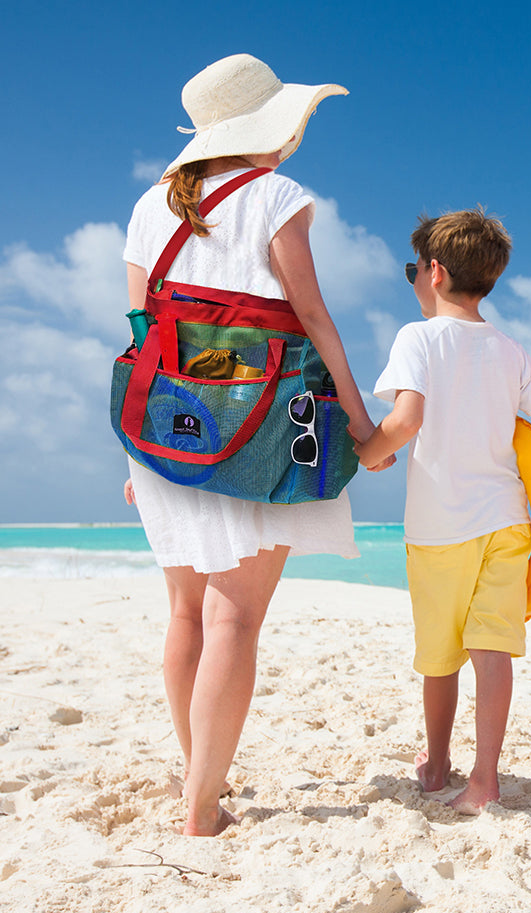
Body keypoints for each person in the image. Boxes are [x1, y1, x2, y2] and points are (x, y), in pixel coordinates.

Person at [122, 54, 388, 836]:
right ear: (269, 125)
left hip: (165, 423)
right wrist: (362, 423)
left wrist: (133, 454)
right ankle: (202, 808)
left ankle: (199, 781)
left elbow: (141, 331)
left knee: (186, 615)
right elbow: (311, 316)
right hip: (257, 421)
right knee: (234, 619)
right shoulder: (276, 196)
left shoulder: (147, 206)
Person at [355, 209, 531, 813]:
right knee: (492, 650)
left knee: (441, 657)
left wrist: (367, 454)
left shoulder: (416, 338)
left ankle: (437, 766)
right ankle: (484, 781)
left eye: (412, 270)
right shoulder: (510, 350)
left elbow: (405, 421)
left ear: (435, 271)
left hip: (439, 526)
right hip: (507, 522)